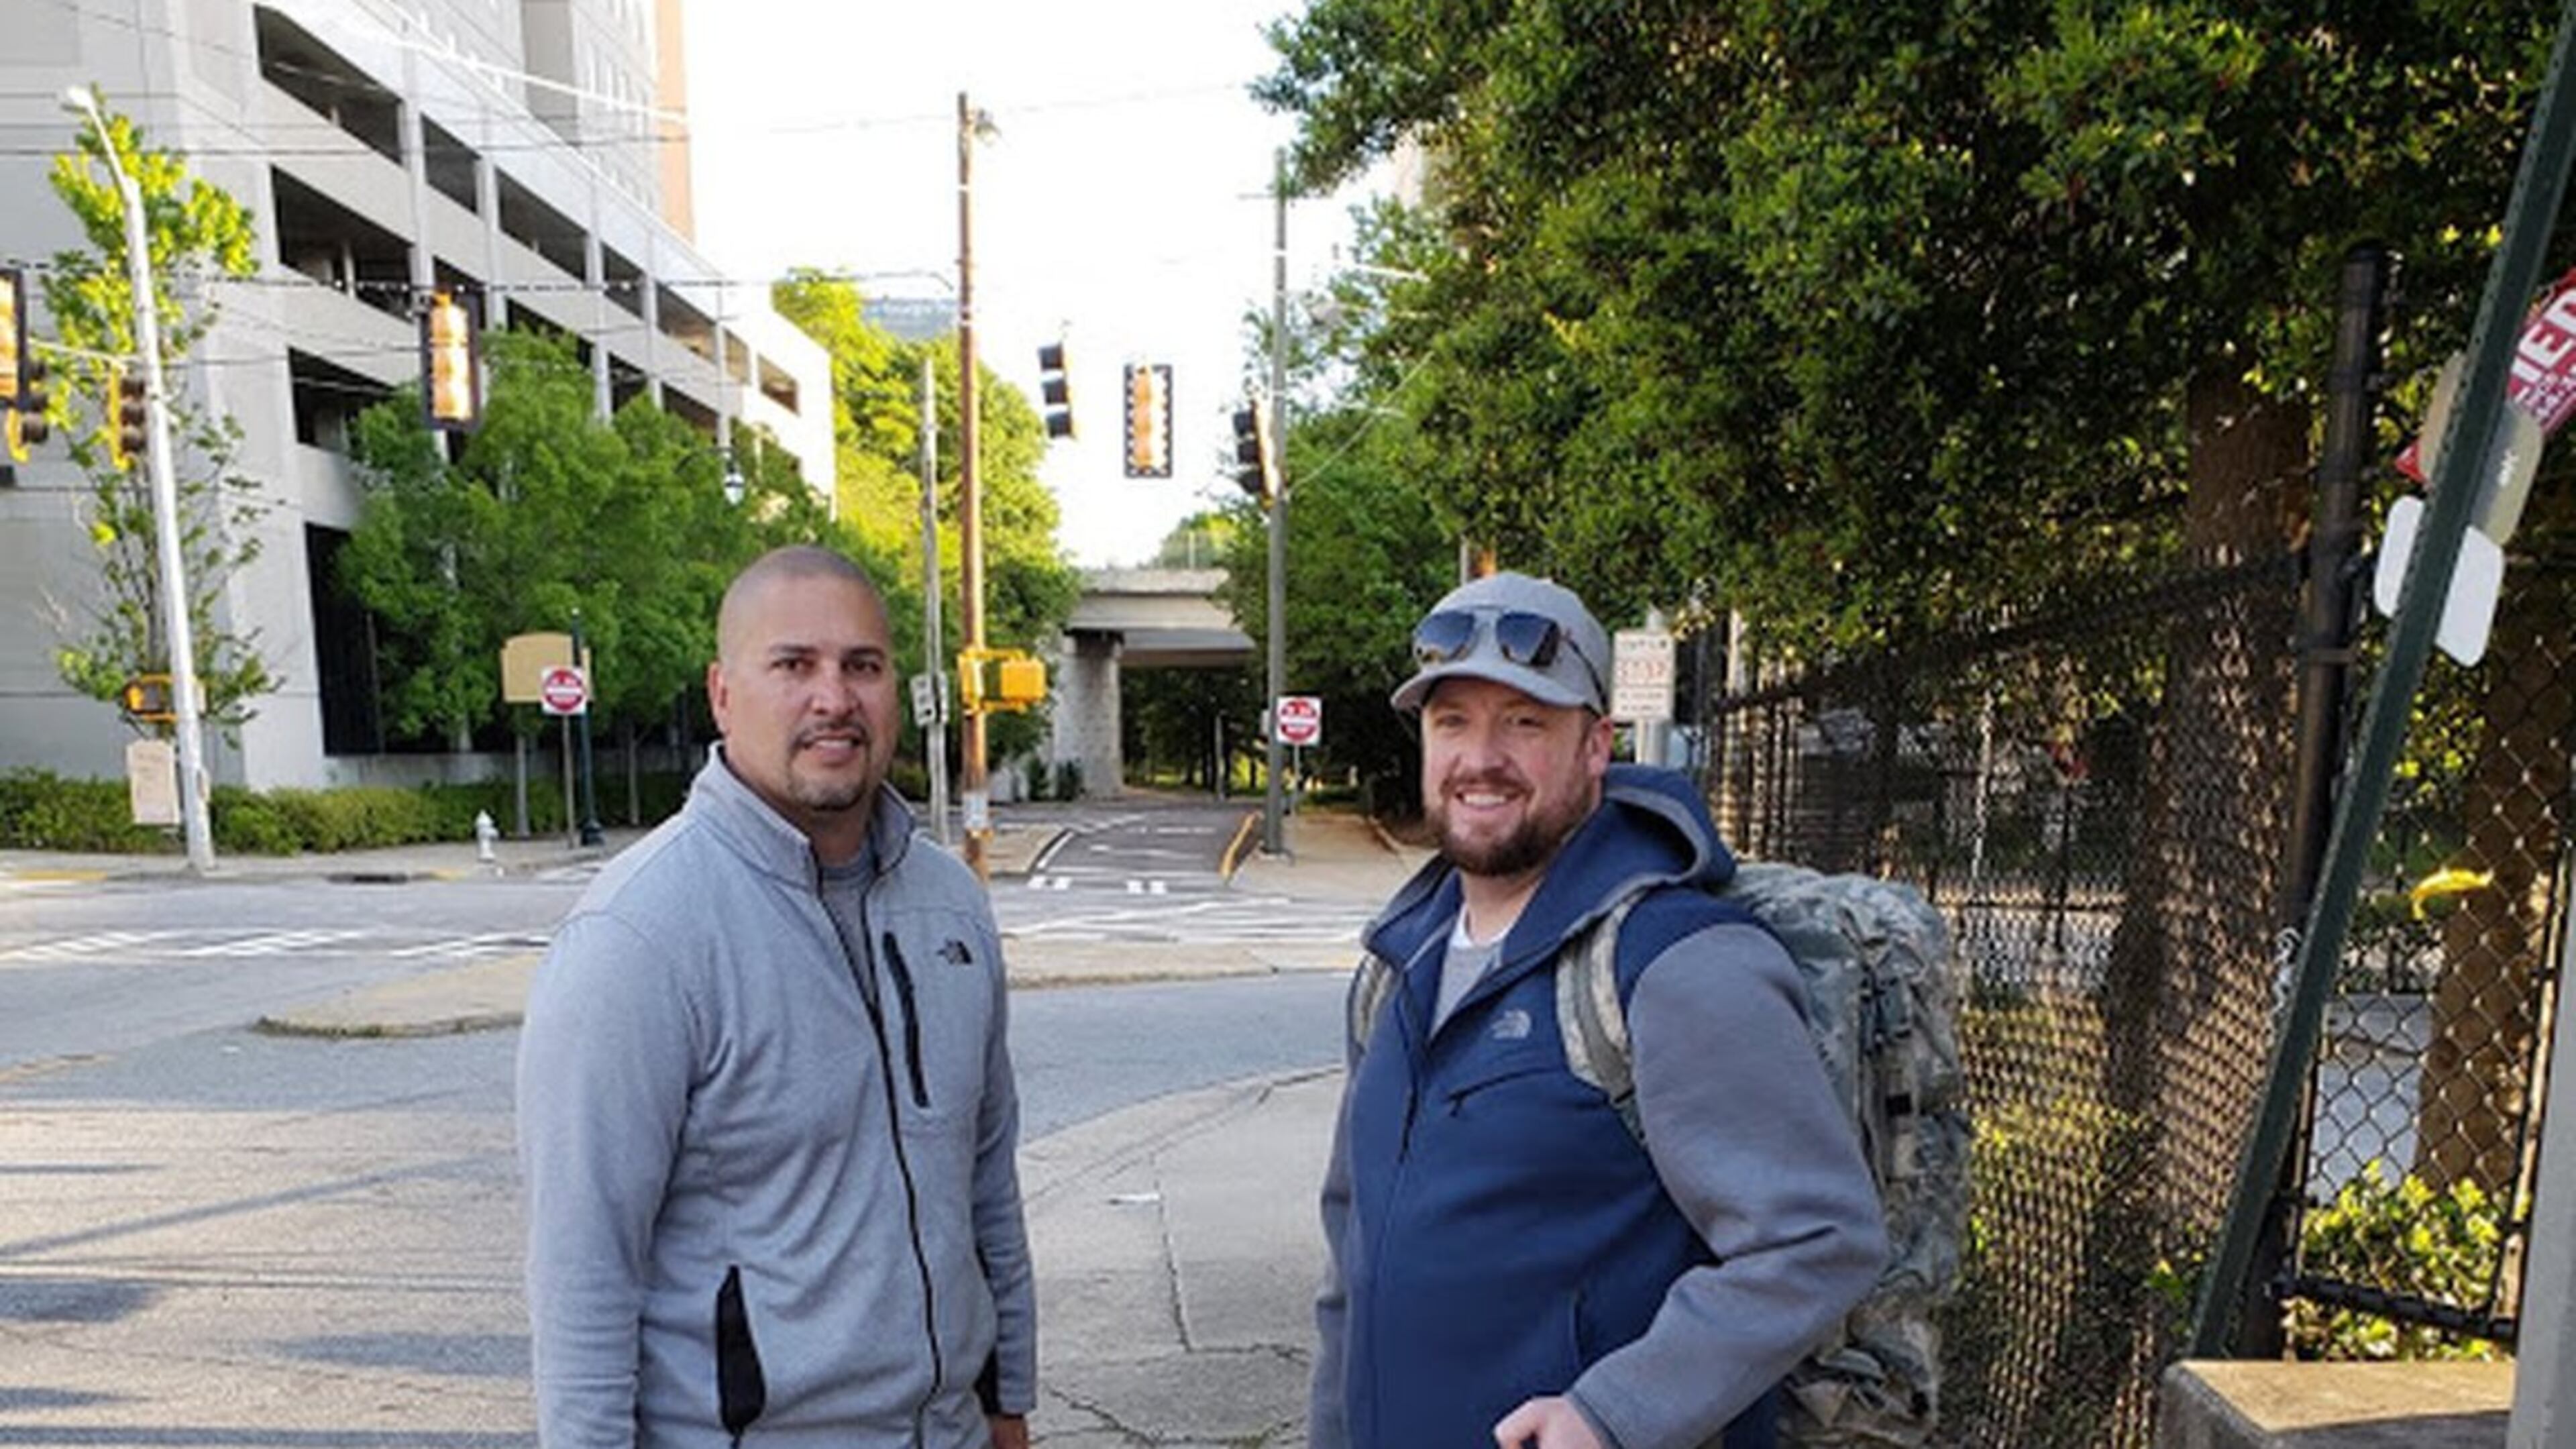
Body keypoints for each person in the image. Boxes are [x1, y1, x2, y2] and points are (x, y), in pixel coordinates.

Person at [1309, 572, 1887, 1449]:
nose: (1481, 758)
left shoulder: (1676, 964)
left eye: (1526, 722)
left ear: (1595, 748)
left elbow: (1818, 1238)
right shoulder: (1398, 965)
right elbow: (1350, 1261)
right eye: (1452, 721)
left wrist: (1616, 1413)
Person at [518, 545, 1034, 1449]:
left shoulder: (951, 906)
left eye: (862, 666)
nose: (834, 698)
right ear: (723, 694)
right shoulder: (638, 936)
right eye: (794, 665)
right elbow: (583, 1270)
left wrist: (1008, 1401)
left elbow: (985, 1186)